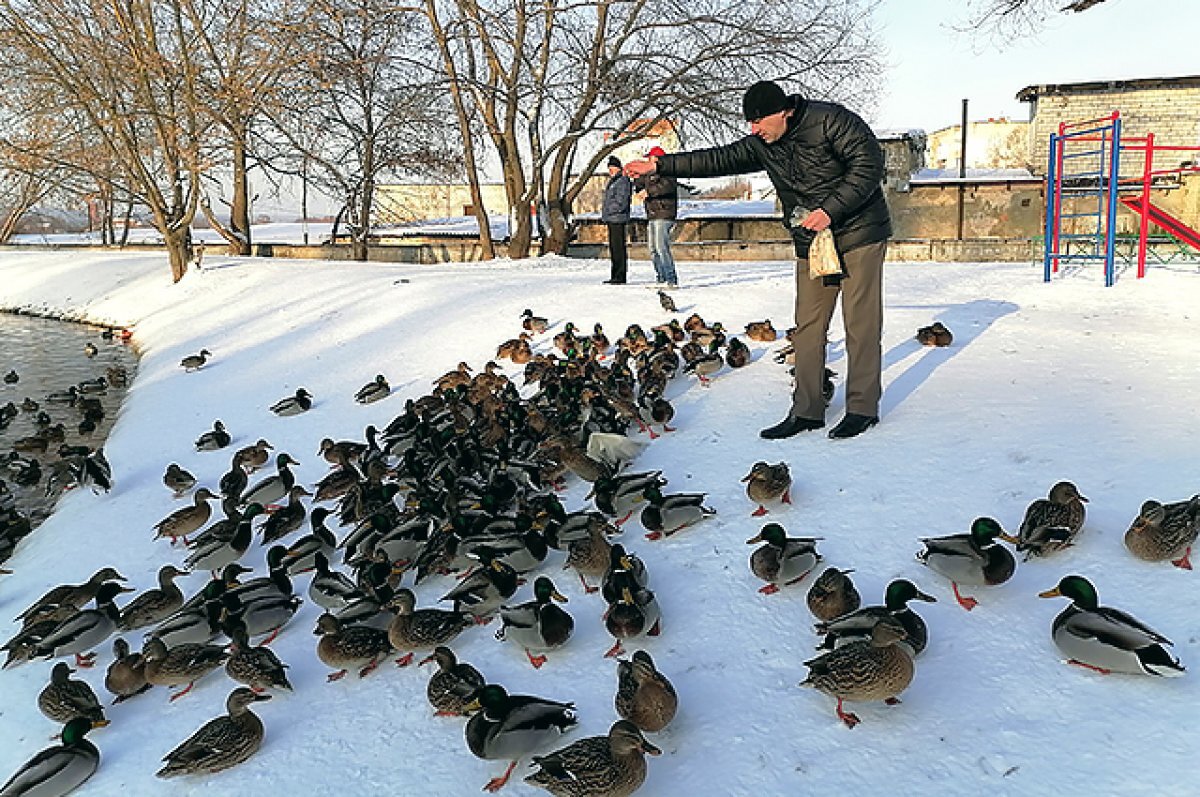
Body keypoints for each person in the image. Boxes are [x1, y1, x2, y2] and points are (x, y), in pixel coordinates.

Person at [625, 79, 891, 440]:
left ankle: (862, 407)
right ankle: (807, 410)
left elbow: (869, 165)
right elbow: (716, 159)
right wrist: (659, 166)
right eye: (749, 123)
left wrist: (830, 210)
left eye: (759, 121)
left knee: (859, 322)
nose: (754, 130)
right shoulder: (763, 143)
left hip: (859, 230)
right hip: (811, 239)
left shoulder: (831, 121)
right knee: (808, 325)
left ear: (784, 111)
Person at [632, 146, 679, 287]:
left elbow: (666, 187)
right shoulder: (650, 174)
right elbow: (640, 185)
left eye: (650, 158)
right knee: (652, 248)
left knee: (661, 247)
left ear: (657, 158)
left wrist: (649, 191)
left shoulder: (669, 171)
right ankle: (661, 278)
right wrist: (636, 174)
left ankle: (671, 279)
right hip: (652, 214)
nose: (648, 161)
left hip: (664, 213)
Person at [601, 155, 632, 284]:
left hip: (617, 218)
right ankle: (615, 275)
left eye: (612, 168)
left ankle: (620, 276)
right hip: (612, 218)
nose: (610, 171)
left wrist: (611, 210)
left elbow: (621, 201)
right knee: (614, 249)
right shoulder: (614, 181)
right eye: (609, 169)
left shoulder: (622, 181)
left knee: (618, 248)